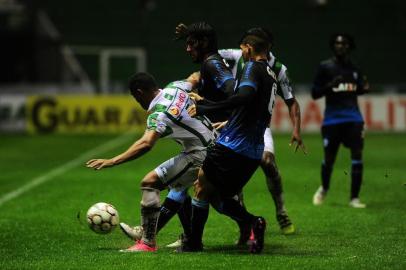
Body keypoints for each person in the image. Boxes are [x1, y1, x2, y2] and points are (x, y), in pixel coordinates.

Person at [179, 33, 297, 254]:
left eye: (243, 48)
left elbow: (242, 97)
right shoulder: (271, 75)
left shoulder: (253, 68)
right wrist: (227, 119)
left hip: (233, 145)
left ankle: (194, 243)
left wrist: (207, 107)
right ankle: (253, 223)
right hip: (253, 150)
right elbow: (250, 106)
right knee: (220, 195)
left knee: (201, 187)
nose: (241, 52)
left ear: (250, 48)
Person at [86, 72, 216, 252]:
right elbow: (196, 76)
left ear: (139, 93)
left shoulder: (159, 114)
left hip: (201, 154)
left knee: (149, 183)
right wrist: (204, 96)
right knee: (177, 188)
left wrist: (112, 161)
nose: (137, 102)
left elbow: (146, 143)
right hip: (216, 145)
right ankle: (189, 238)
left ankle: (147, 242)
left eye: (135, 97)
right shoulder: (176, 86)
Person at [218, 27, 304, 236]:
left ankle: (281, 211)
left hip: (258, 126)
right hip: (231, 123)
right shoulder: (237, 55)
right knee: (234, 173)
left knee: (267, 162)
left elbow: (291, 101)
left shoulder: (278, 68)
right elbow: (213, 54)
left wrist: (297, 130)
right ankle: (245, 225)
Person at [311, 33, 370, 208]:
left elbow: (358, 89)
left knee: (357, 155)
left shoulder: (355, 68)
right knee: (329, 158)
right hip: (332, 120)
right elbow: (315, 93)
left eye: (344, 43)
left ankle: (354, 198)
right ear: (333, 46)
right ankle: (324, 188)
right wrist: (329, 85)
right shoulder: (325, 67)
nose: (340, 46)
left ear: (349, 46)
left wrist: (364, 89)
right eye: (337, 43)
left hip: (353, 118)